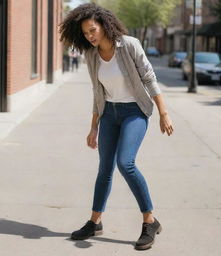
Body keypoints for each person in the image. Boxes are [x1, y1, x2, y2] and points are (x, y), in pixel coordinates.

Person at [59, 3, 174, 250]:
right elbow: (97, 92)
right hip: (109, 114)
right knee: (105, 169)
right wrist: (93, 127)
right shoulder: (91, 55)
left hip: (135, 111)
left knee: (126, 163)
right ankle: (95, 221)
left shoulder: (129, 44)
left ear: (104, 25)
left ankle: (150, 221)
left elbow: (149, 78)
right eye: (86, 33)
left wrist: (164, 113)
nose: (90, 36)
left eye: (93, 30)